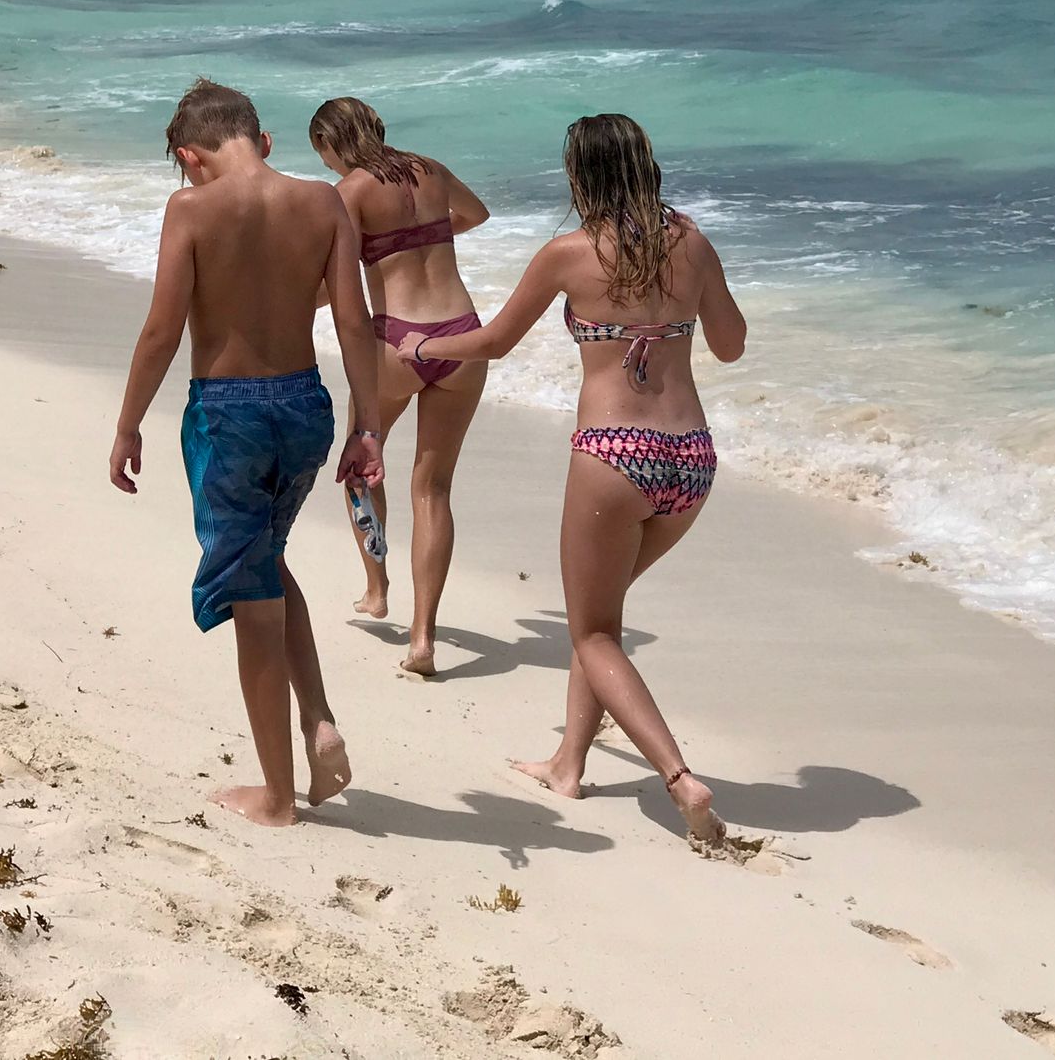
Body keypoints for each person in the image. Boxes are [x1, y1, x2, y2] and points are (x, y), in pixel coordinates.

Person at [404, 113, 746, 840]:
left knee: (591, 630)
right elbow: (732, 344)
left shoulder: (569, 253)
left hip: (614, 456)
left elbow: (494, 340)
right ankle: (568, 763)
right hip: (690, 458)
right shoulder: (694, 242)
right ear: (647, 166)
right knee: (604, 616)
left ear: (581, 177)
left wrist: (423, 342)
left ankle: (680, 778)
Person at [110, 79, 386, 828]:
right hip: (306, 407)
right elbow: (356, 325)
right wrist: (370, 424)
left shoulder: (191, 209)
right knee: (266, 558)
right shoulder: (324, 203)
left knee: (252, 600)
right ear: (262, 141)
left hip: (228, 417)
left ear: (188, 154)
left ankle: (277, 798)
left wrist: (128, 422)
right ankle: (318, 718)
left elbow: (163, 329)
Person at [309, 97, 491, 677]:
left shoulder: (351, 191)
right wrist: (424, 240)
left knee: (362, 460)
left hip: (397, 341)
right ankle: (423, 640)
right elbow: (476, 214)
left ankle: (378, 587)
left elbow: (332, 283)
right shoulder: (431, 169)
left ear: (330, 144)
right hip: (462, 336)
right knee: (433, 489)